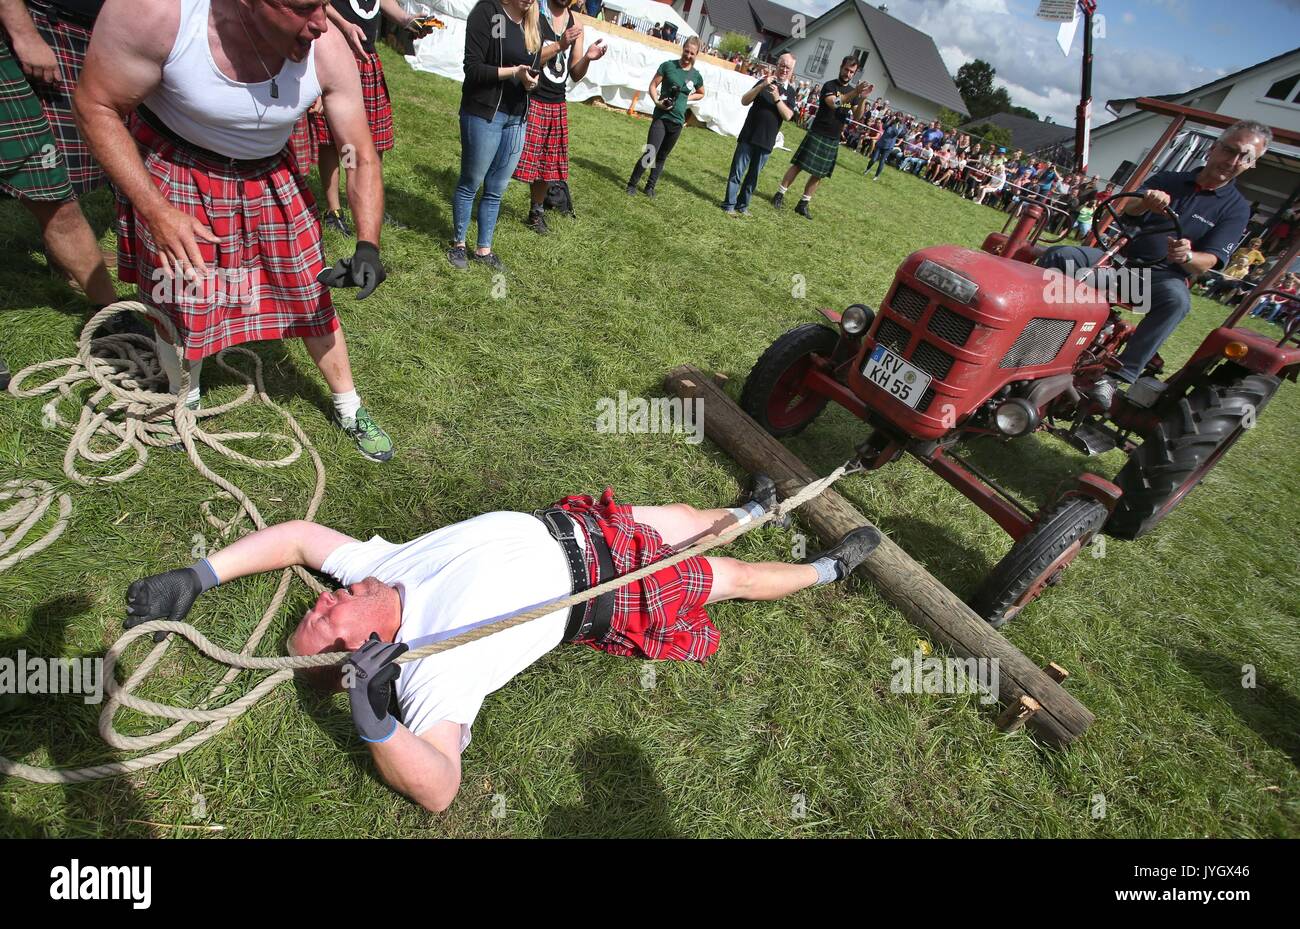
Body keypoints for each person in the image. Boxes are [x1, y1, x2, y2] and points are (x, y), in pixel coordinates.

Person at [121, 479, 882, 812]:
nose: (331, 597)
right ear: (368, 652)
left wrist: (197, 575)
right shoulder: (430, 671)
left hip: (577, 525)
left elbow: (294, 539)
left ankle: (755, 503)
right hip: (612, 588)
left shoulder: (374, 571)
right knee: (732, 575)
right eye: (331, 620)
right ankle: (827, 568)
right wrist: (373, 715)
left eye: (322, 604)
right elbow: (440, 786)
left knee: (692, 513)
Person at [76, 0, 396, 462]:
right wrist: (155, 210)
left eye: (325, 3)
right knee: (182, 296)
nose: (321, 23)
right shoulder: (160, 14)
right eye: (305, 7)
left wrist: (368, 244)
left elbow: (357, 153)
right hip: (179, 167)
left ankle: (350, 407)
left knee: (308, 289)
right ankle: (183, 398)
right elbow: (96, 104)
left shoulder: (325, 46)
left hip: (270, 174)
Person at [1037, 120, 1270, 405]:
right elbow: (1126, 211)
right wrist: (1145, 202)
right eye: (1230, 150)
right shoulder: (1169, 180)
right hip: (1119, 263)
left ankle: (1118, 377)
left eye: (1245, 158)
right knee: (1061, 255)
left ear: (1251, 164)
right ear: (1213, 149)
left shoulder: (1236, 208)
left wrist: (1187, 256)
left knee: (1177, 302)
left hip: (1155, 281)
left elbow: (1210, 260)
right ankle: (1035, 330)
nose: (1233, 161)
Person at [0, 0, 121, 326]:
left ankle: (111, 316)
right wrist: (24, 33)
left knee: (54, 185)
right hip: (47, 22)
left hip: (99, 21)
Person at [311, 0, 431, 236]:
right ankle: (333, 210)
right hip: (336, 56)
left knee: (374, 139)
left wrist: (409, 22)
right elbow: (319, 3)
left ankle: (366, 201)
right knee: (332, 140)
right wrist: (345, 25)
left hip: (367, 60)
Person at [448, 0, 541, 271]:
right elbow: (473, 69)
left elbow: (536, 74)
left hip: (516, 118)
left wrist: (532, 82)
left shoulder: (533, 24)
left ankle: (484, 249)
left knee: (497, 188)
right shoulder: (487, 12)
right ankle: (458, 244)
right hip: (484, 113)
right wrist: (514, 72)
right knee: (471, 181)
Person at [512, 0, 605, 234]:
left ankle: (536, 213)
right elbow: (526, 56)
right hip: (529, 96)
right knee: (508, 155)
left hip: (556, 102)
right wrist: (560, 44)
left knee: (547, 166)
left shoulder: (576, 23)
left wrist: (588, 59)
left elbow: (575, 72)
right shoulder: (534, 12)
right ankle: (488, 200)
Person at [772, 55, 870, 220]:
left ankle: (802, 204)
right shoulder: (830, 85)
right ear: (841, 67)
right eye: (846, 69)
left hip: (833, 137)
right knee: (798, 165)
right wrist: (856, 92)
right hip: (818, 131)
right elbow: (834, 103)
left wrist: (863, 99)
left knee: (819, 173)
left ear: (855, 73)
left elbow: (858, 116)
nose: (848, 74)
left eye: (852, 72)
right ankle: (779, 195)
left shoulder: (855, 93)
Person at [625, 35, 704, 198]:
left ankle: (650, 187)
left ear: (697, 55)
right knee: (651, 152)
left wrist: (686, 98)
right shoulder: (668, 66)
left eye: (692, 54)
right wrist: (656, 101)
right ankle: (632, 184)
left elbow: (701, 93)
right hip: (662, 117)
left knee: (662, 157)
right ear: (683, 48)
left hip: (678, 121)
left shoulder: (696, 75)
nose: (688, 56)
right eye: (686, 51)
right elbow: (653, 85)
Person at [721, 52, 795, 216]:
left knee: (752, 177)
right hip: (749, 135)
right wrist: (761, 86)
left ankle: (742, 206)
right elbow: (744, 100)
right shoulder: (764, 82)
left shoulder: (790, 92)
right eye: (782, 65)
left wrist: (777, 98)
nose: (784, 70)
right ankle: (729, 205)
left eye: (787, 68)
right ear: (777, 65)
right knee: (737, 173)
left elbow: (788, 116)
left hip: (766, 141)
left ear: (791, 71)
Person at [864, 112, 902, 180]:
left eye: (899, 116)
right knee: (873, 159)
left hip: (888, 147)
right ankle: (867, 169)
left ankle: (876, 176)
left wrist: (895, 124)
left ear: (901, 118)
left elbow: (896, 133)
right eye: (897, 116)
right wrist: (890, 120)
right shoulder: (891, 122)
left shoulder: (900, 126)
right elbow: (884, 127)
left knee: (882, 161)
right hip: (881, 143)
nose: (897, 117)